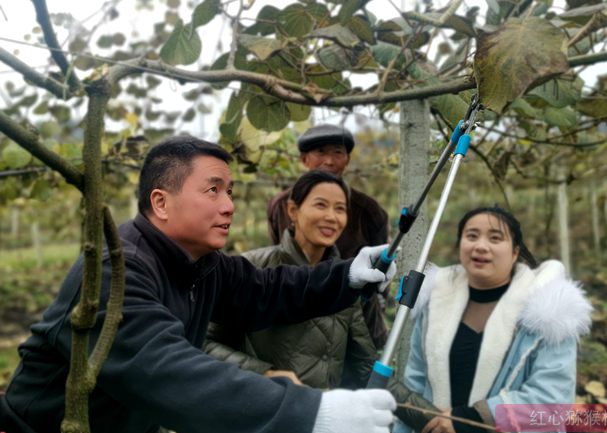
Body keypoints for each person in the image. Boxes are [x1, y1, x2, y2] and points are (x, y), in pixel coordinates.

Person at [0, 136, 398, 433]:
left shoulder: (202, 264)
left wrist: (346, 275)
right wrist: (308, 412)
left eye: (230, 192)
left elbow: (267, 289)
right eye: (213, 190)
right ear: (160, 203)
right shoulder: (116, 272)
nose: (229, 205)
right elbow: (167, 373)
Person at [393, 206, 593, 433]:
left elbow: (553, 399)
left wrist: (472, 418)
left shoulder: (548, 313)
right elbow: (415, 386)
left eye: (495, 238)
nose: (480, 246)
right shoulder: (434, 303)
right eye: (471, 236)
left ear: (515, 251)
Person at [205, 170, 376, 389]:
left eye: (340, 209)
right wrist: (263, 374)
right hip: (264, 411)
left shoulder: (347, 279)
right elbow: (203, 342)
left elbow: (366, 366)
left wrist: (426, 414)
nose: (332, 217)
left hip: (320, 416)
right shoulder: (253, 267)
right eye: (321, 205)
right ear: (293, 210)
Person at [267, 124, 390, 348]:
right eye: (320, 152)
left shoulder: (369, 211)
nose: (329, 161)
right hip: (295, 314)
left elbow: (382, 270)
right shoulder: (280, 206)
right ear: (304, 159)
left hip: (356, 319)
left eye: (337, 152)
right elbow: (277, 260)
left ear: (347, 160)